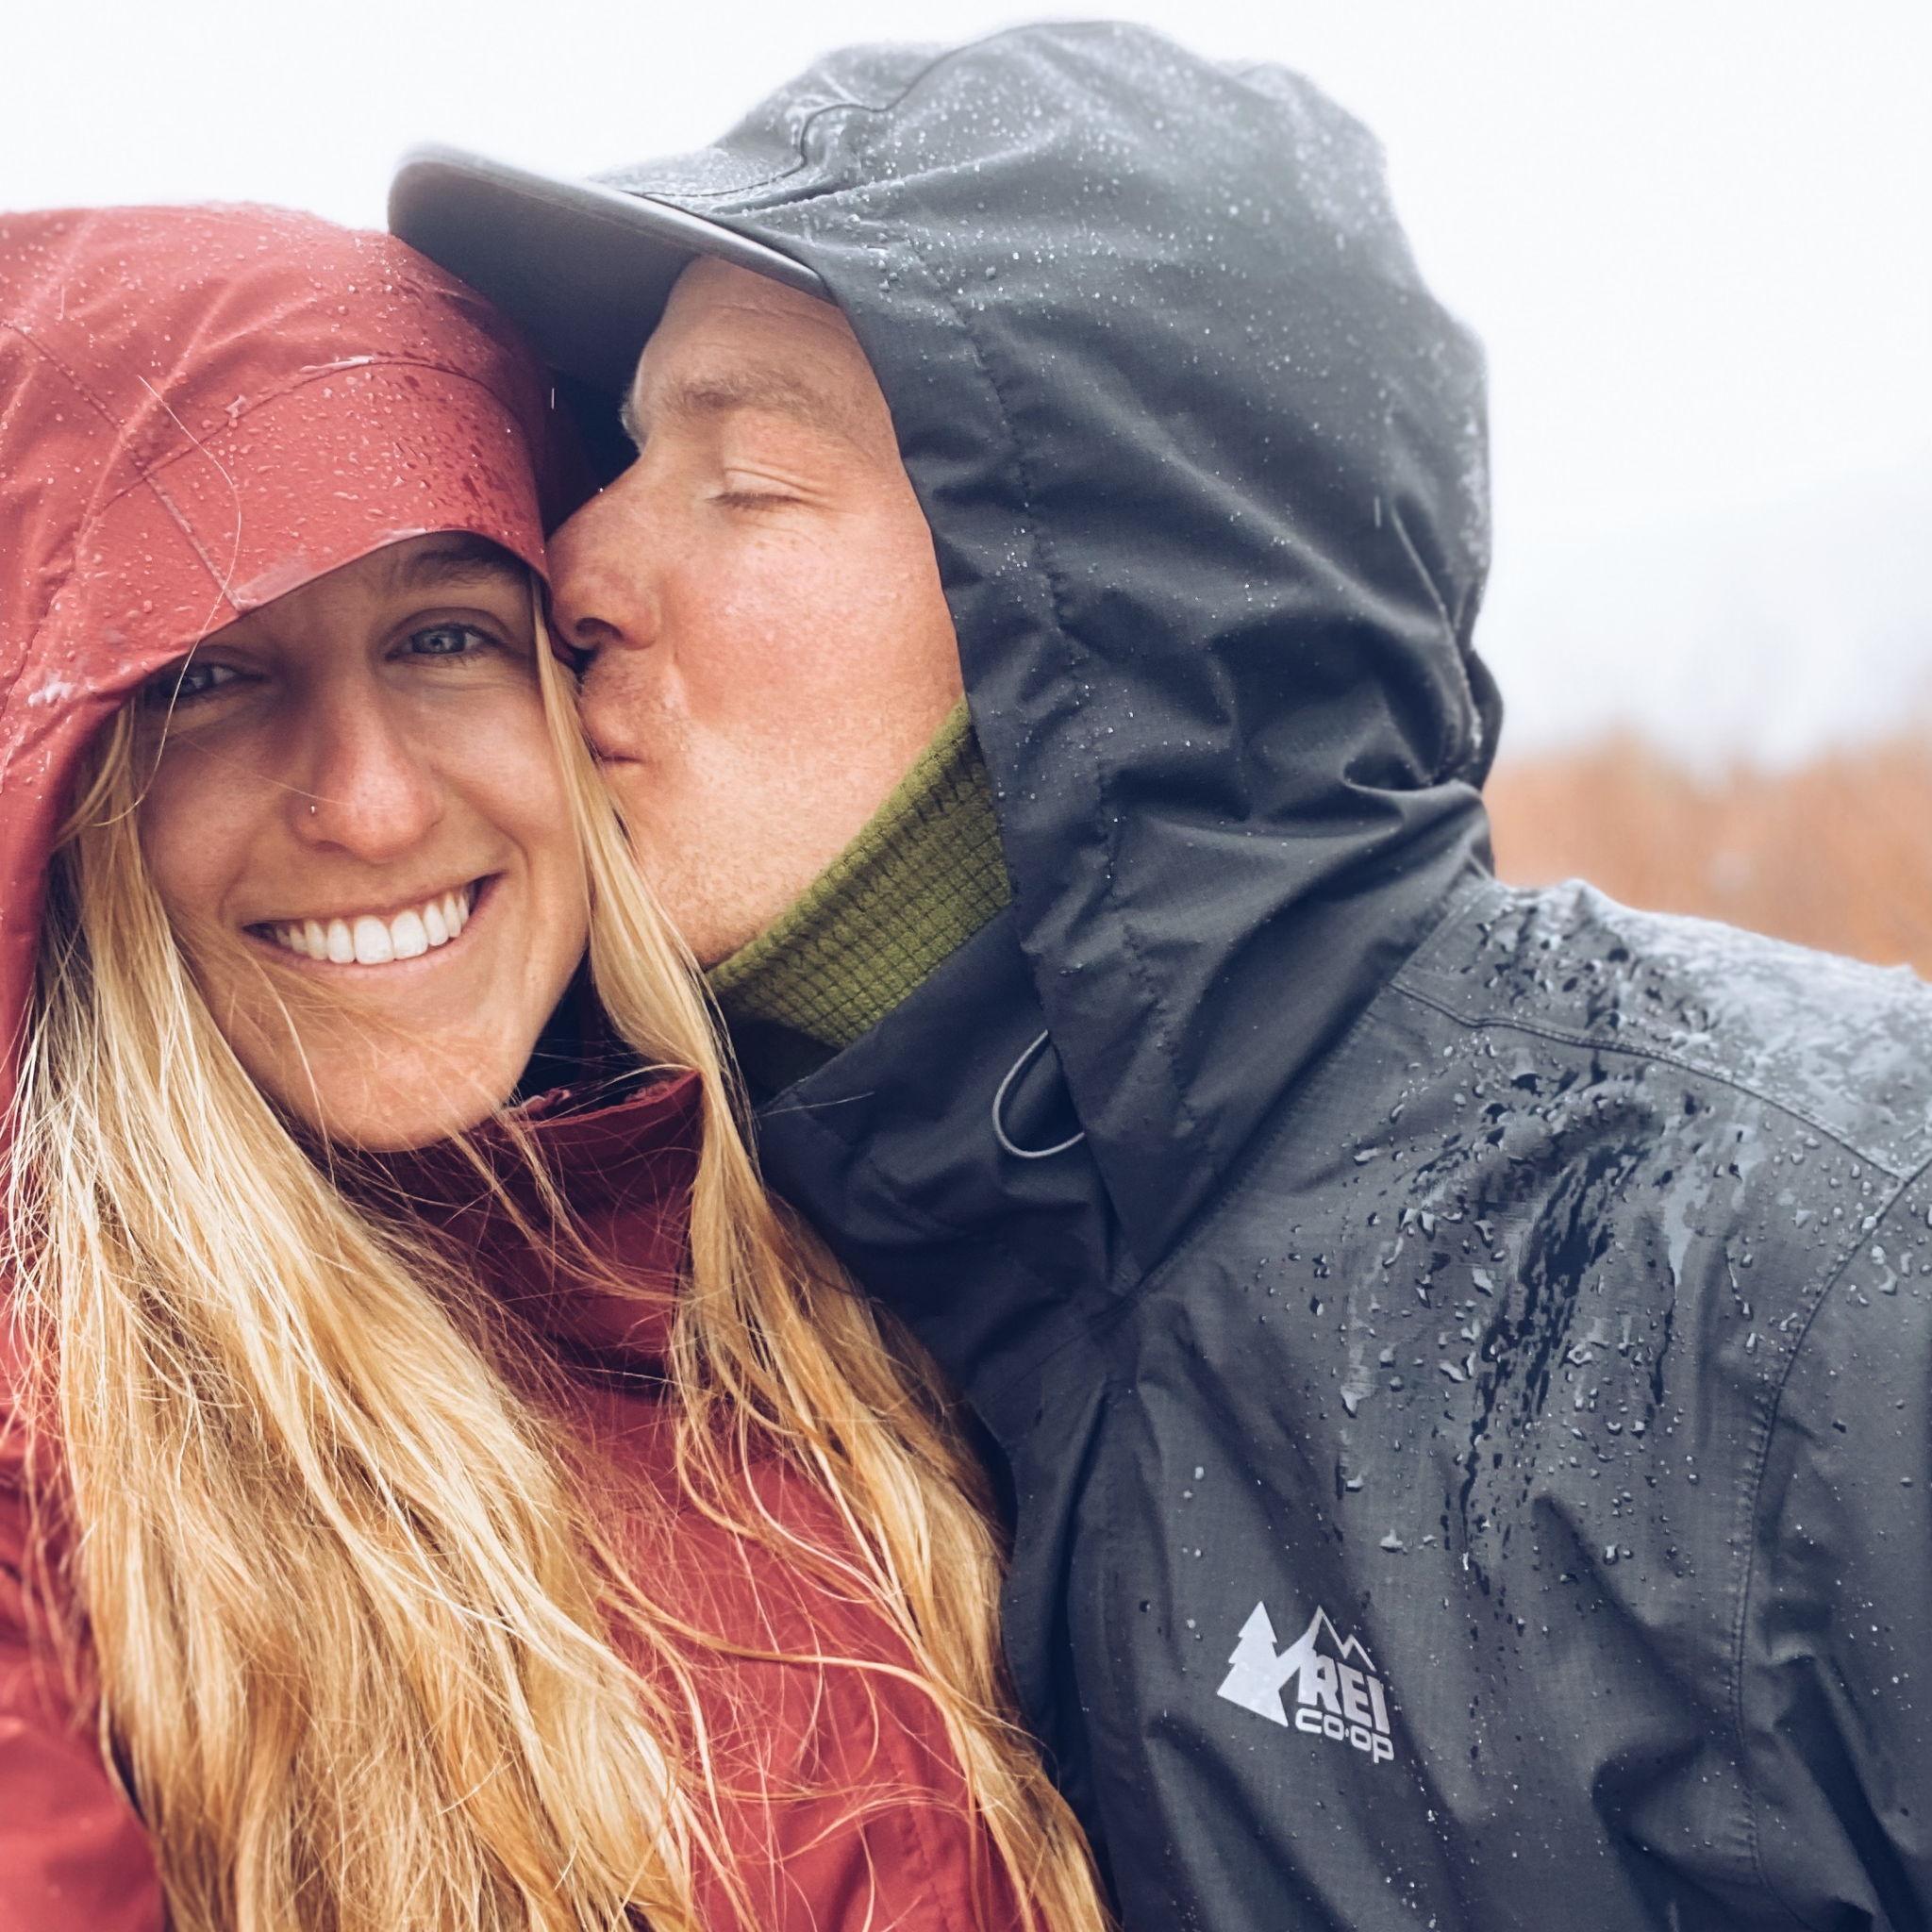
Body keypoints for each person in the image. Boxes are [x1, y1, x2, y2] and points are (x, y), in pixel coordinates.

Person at [391, 20, 1932, 1931]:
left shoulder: (1812, 1275)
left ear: (1116, 600)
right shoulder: (645, 1333)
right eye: (625, 452)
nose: (569, 563)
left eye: (748, 479)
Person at [0, 203, 1109, 1932]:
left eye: (445, 637)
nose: (373, 804)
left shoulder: (861, 1264)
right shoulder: (51, 1484)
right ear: (64, 776)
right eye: (212, 678)